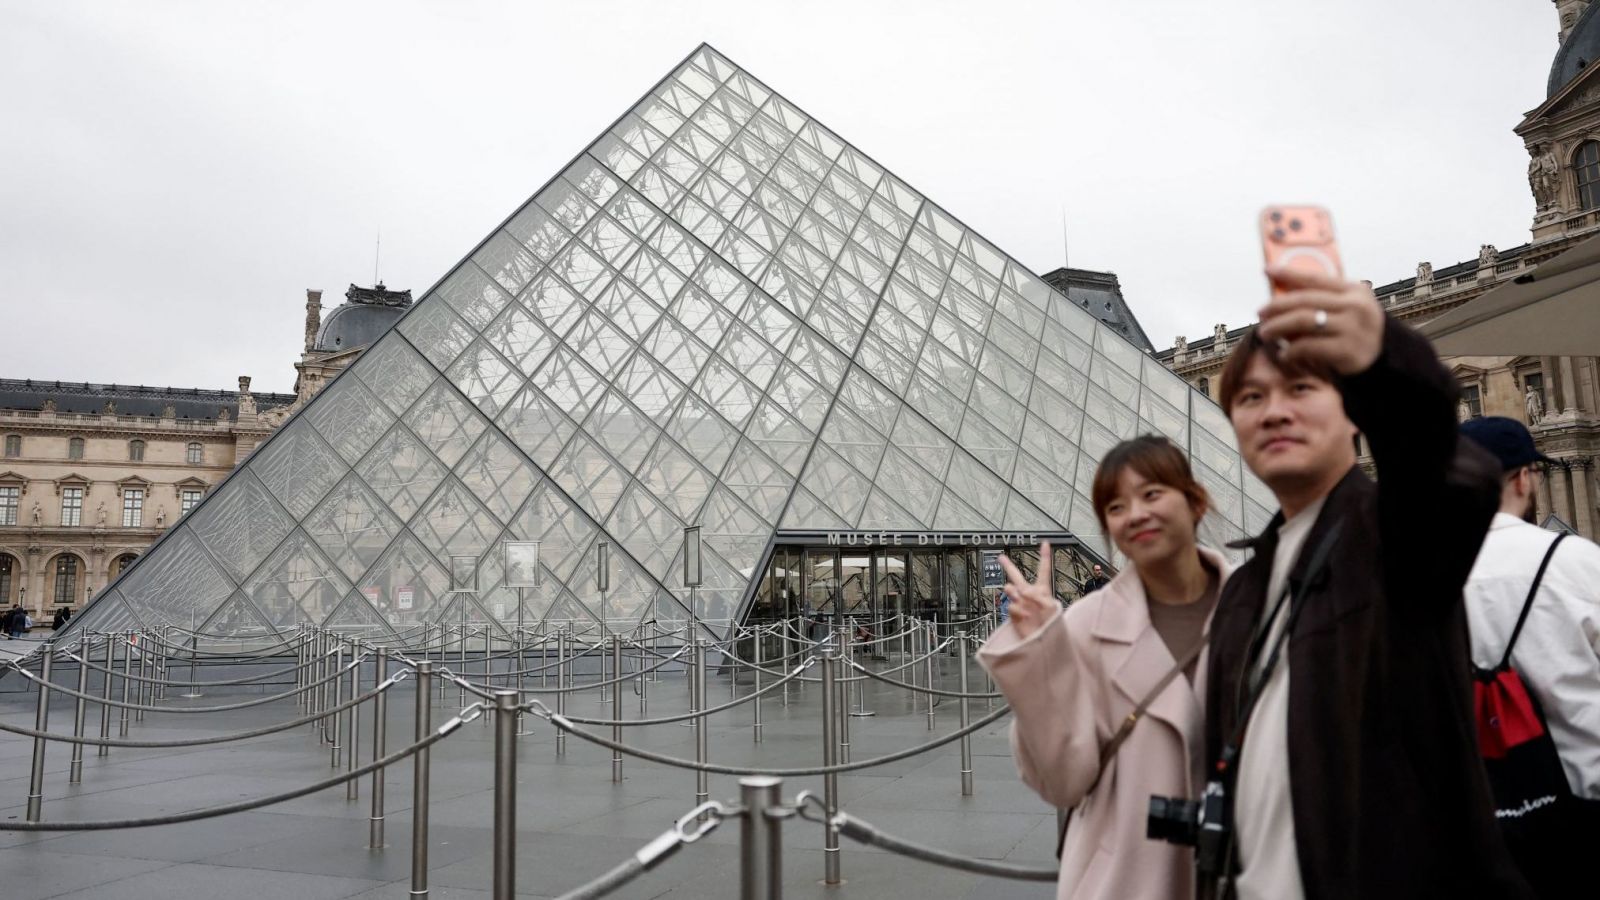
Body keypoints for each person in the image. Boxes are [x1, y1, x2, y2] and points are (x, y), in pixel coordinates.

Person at [1199, 266, 1529, 899]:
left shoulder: (1395, 539)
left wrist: (1383, 362)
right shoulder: (1244, 590)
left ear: (1357, 414)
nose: (1274, 412)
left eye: (1301, 387)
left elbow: (1453, 481)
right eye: (1250, 398)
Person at [979, 435, 1235, 900]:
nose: (1135, 514)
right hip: (1127, 877)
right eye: (1115, 507)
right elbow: (1062, 781)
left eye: (1152, 494)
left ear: (1196, 501)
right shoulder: (1084, 627)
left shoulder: (1262, 606)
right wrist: (1040, 653)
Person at [1460, 415, 1600, 892]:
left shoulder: (1413, 577)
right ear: (1523, 478)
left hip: (1475, 824)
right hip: (1585, 807)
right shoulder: (1577, 560)